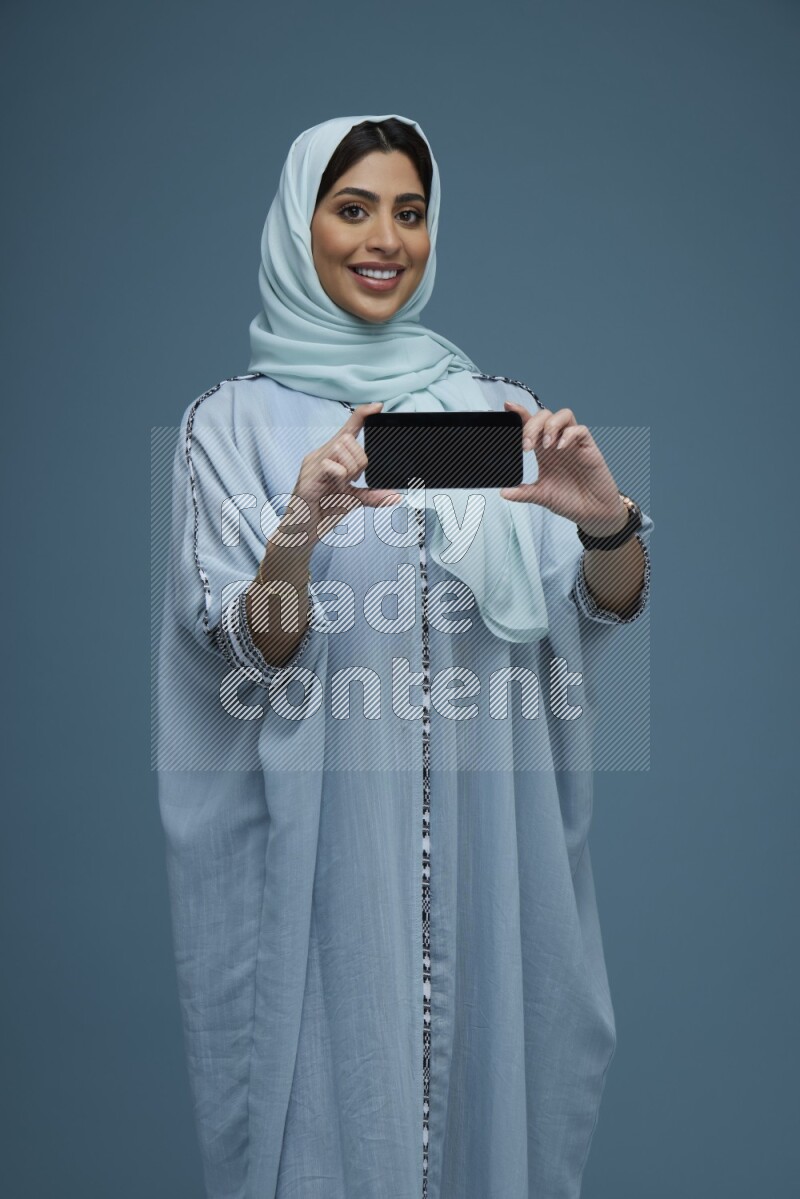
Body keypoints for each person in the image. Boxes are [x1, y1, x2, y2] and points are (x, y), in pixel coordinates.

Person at [155, 113, 653, 1199]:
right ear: (300, 225)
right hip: (326, 865)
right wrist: (299, 524)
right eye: (353, 207)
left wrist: (606, 521)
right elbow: (247, 648)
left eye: (410, 211)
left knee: (489, 1120)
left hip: (494, 862)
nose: (386, 238)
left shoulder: (498, 414)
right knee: (331, 1129)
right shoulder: (231, 428)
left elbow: (599, 609)